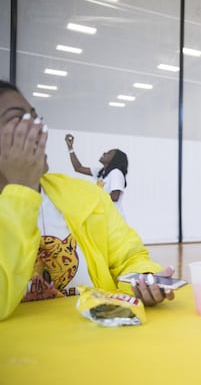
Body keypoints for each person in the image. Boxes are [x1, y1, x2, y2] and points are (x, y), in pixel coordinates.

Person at [0, 80, 175, 321]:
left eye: (36, 118)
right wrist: (22, 189)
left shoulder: (90, 195)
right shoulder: (101, 174)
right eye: (19, 121)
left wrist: (143, 280)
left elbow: (130, 258)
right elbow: (81, 167)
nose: (39, 130)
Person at [65, 133, 128, 216]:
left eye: (109, 153)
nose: (104, 153)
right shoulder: (101, 172)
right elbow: (78, 168)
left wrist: (91, 195)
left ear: (115, 160)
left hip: (114, 220)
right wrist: (70, 148)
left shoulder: (116, 173)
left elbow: (115, 197)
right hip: (103, 217)